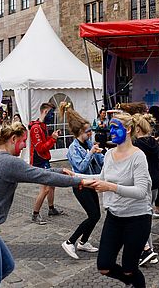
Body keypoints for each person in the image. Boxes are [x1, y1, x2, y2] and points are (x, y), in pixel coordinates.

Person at [0, 121, 93, 287]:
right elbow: (41, 177)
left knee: (6, 267)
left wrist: (59, 170)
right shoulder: (7, 161)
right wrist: (77, 181)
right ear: (13, 139)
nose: (24, 146)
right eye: (23, 141)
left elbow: (32, 172)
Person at [78, 112, 152, 287]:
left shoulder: (138, 156)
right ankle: (132, 283)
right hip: (114, 217)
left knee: (129, 268)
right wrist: (75, 177)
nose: (110, 131)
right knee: (104, 265)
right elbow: (101, 178)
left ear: (127, 129)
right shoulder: (110, 153)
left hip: (138, 218)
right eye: (110, 127)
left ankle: (135, 282)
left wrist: (111, 187)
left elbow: (141, 192)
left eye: (115, 128)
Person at [59, 102, 104, 259]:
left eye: (90, 131)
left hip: (91, 182)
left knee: (97, 215)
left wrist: (104, 155)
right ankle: (70, 242)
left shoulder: (88, 143)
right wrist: (91, 153)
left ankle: (83, 243)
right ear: (80, 132)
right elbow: (81, 167)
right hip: (80, 185)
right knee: (92, 215)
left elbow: (99, 161)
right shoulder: (73, 149)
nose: (90, 134)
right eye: (88, 132)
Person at [133, 113, 159, 266]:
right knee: (146, 217)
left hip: (143, 184)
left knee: (140, 220)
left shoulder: (136, 145)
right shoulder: (155, 143)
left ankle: (147, 251)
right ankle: (147, 250)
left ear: (138, 129)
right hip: (155, 184)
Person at [29, 103, 62, 225]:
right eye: (51, 113)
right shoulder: (36, 128)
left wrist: (52, 137)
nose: (52, 116)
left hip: (44, 160)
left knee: (51, 185)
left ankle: (51, 209)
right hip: (39, 161)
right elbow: (41, 148)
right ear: (45, 111)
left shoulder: (43, 126)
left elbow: (45, 144)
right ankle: (35, 214)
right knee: (45, 189)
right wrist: (53, 139)